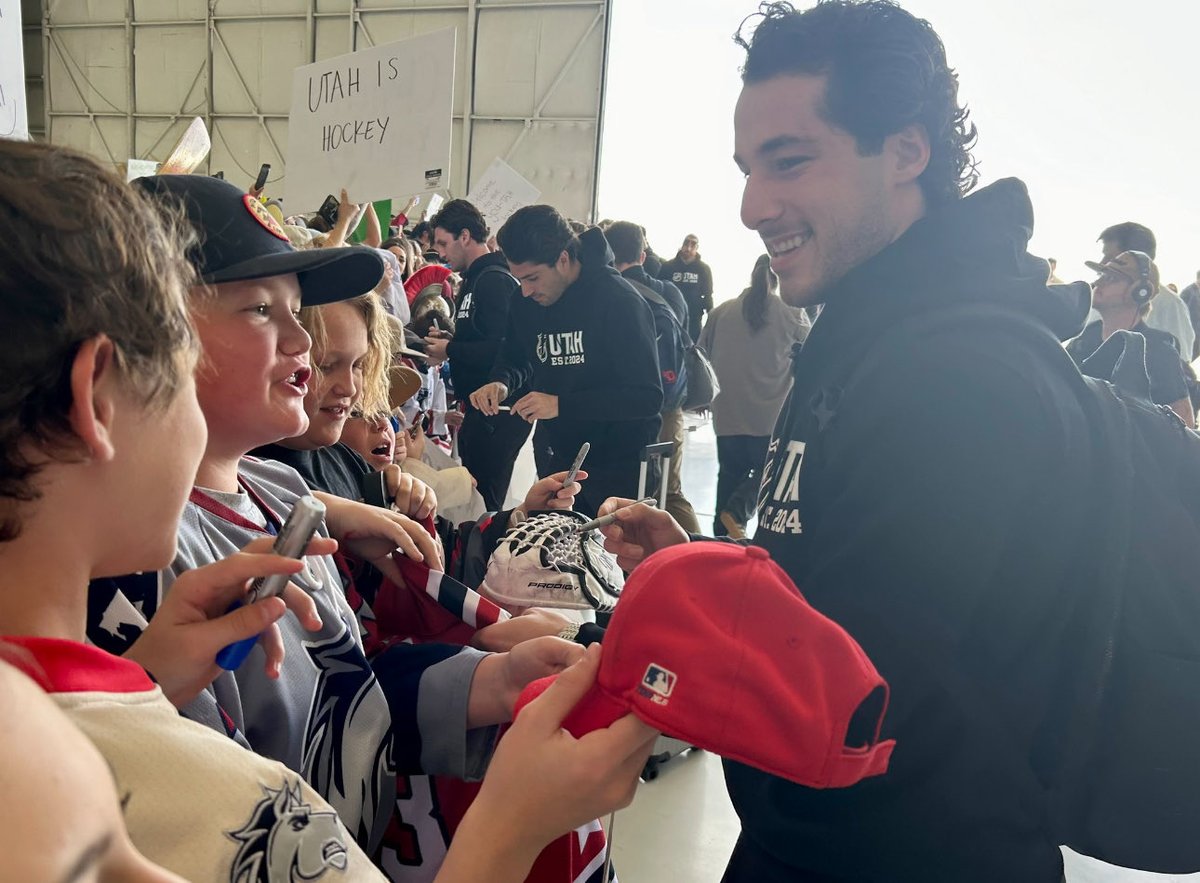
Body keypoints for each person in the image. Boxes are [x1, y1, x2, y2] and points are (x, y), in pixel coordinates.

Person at [1, 139, 656, 883]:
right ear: (100, 392)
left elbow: (344, 696)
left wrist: (486, 683)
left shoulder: (280, 506)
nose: (302, 349)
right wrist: (513, 824)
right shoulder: (66, 753)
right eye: (180, 359)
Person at [598, 2, 1123, 880]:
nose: (753, 204)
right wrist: (702, 569)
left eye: (790, 161)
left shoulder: (959, 375)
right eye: (748, 167)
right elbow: (844, 602)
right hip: (817, 843)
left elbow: (858, 704)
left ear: (907, 152)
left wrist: (669, 649)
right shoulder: (866, 336)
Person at [470, 205, 663, 516]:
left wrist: (561, 405)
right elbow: (516, 354)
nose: (525, 290)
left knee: (612, 560)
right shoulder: (526, 302)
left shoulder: (620, 301)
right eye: (519, 279)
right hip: (560, 459)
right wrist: (501, 381)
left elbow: (646, 397)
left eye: (532, 277)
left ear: (563, 258)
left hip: (620, 464)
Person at [424, 199, 533, 510]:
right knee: (473, 496)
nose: (441, 254)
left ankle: (483, 557)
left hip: (497, 412)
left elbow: (508, 349)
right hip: (479, 409)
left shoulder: (496, 281)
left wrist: (451, 349)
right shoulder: (474, 280)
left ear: (466, 236)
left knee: (484, 501)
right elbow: (482, 337)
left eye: (444, 243)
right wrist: (452, 341)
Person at [698, 253, 809, 538]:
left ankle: (721, 545)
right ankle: (739, 509)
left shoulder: (721, 312)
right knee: (770, 472)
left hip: (727, 414)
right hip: (770, 414)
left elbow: (700, 355)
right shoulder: (791, 312)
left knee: (728, 476)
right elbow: (812, 354)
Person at [607, 219, 701, 533]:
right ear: (643, 254)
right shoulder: (671, 293)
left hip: (631, 409)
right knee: (670, 490)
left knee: (627, 492)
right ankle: (697, 555)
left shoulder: (610, 294)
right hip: (671, 403)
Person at [1067, 250, 1193, 424]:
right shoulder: (1086, 338)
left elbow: (1184, 421)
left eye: (1111, 278)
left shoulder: (1157, 348)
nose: (1098, 282)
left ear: (1140, 291)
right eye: (1101, 275)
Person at [1097, 221, 1195, 358]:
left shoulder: (1170, 304)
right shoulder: (1099, 297)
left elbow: (1180, 361)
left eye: (1111, 258)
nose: (1102, 264)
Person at [659, 233, 715, 340]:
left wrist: (711, 318)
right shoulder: (668, 267)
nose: (688, 248)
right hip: (670, 315)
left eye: (692, 245)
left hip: (693, 318)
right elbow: (659, 290)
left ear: (697, 248)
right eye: (686, 243)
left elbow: (708, 295)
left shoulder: (703, 269)